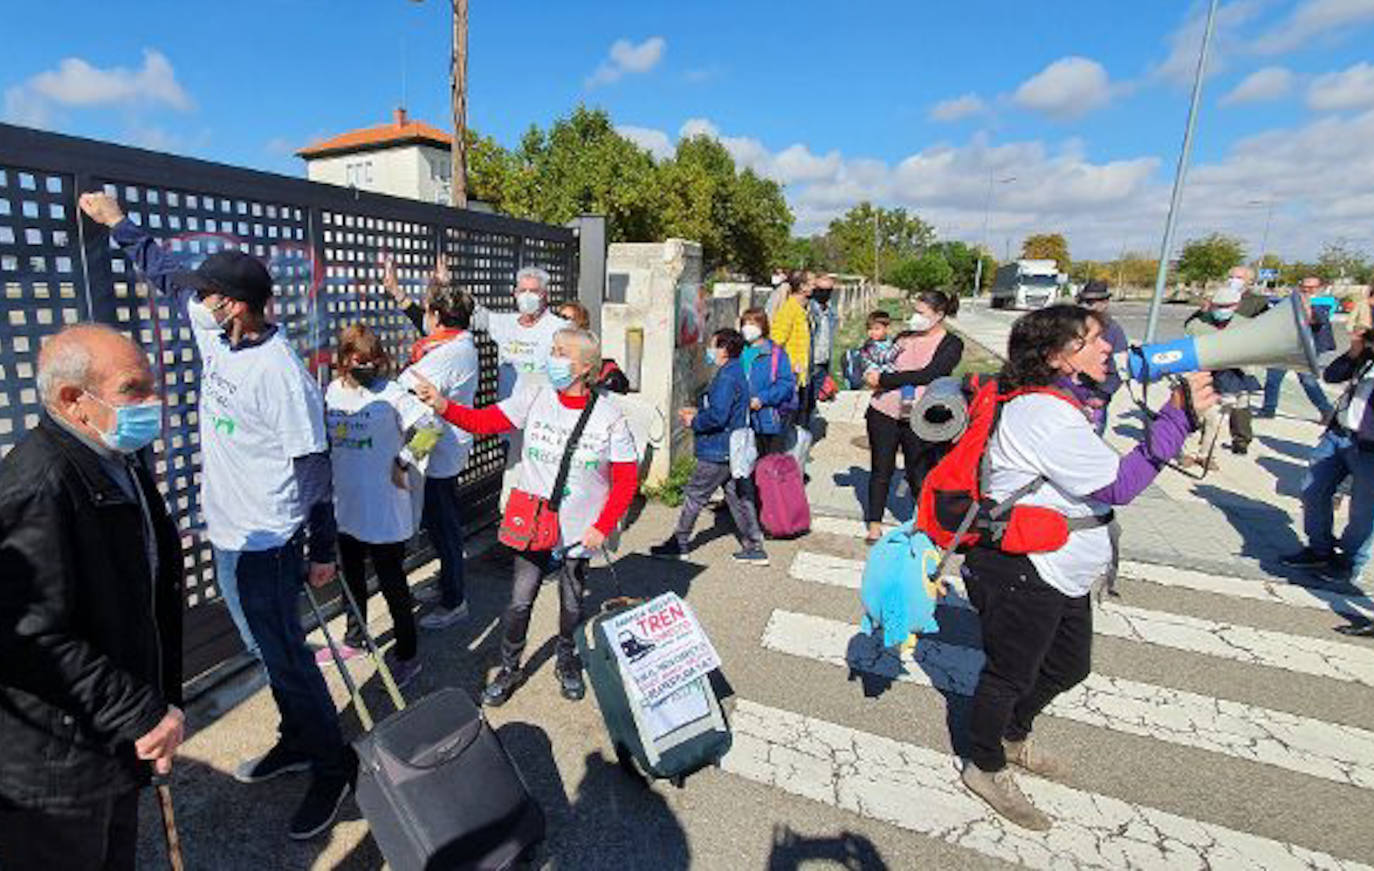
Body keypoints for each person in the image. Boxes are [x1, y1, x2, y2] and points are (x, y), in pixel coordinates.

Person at [80, 191, 355, 840]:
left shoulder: (281, 375)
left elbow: (314, 469)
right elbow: (164, 273)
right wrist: (119, 223)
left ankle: (333, 765)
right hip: (229, 533)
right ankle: (297, 738)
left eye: (211, 294)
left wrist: (322, 552)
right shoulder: (218, 329)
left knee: (284, 653)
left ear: (234, 303)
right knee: (269, 649)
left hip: (271, 541)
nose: (198, 300)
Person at [960, 305, 1215, 830]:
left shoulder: (1064, 402)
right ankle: (984, 764)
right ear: (1056, 356)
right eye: (1094, 340)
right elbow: (1118, 485)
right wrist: (1176, 418)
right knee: (1008, 675)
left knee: (1069, 667)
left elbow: (1108, 403)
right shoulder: (1043, 413)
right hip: (1026, 569)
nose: (1108, 348)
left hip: (1060, 569)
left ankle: (1011, 737)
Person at [0, 324, 185, 869]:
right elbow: (27, 634)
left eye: (153, 386)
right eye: (134, 389)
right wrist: (138, 710)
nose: (153, 403)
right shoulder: (39, 485)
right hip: (58, 765)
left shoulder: (113, 458)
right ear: (73, 401)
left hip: (111, 741)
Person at [411, 328, 638, 706]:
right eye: (553, 349)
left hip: (582, 531)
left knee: (572, 601)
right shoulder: (534, 395)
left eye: (561, 352)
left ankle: (567, 661)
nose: (553, 357)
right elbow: (483, 422)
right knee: (519, 601)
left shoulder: (609, 417)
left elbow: (627, 479)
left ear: (584, 367)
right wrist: (442, 405)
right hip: (533, 522)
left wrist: (602, 525)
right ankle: (510, 668)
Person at [322, 323, 442, 685]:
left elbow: (432, 427)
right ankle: (355, 638)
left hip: (385, 507)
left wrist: (404, 460)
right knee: (352, 578)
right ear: (343, 359)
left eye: (373, 360)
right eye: (358, 360)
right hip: (346, 505)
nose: (367, 367)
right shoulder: (331, 392)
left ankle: (407, 654)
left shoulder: (393, 393)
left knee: (393, 584)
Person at [386, 259, 481, 630]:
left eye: (428, 310)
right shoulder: (454, 341)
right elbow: (427, 333)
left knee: (444, 528)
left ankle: (455, 600)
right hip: (443, 446)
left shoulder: (446, 355)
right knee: (441, 522)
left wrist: (404, 461)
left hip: (437, 450)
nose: (423, 316)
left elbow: (407, 398)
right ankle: (446, 584)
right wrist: (401, 294)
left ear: (438, 316)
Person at [648, 328, 769, 566]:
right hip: (731, 447)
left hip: (717, 448)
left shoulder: (726, 377)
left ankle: (679, 543)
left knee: (695, 495)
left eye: (713, 346)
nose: (709, 351)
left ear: (723, 349)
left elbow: (718, 416)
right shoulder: (735, 371)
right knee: (737, 496)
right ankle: (754, 544)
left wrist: (695, 420)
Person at [1281, 297, 1374, 591]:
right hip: (1340, 434)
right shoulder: (1368, 350)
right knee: (1313, 488)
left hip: (1369, 447)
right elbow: (1332, 375)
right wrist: (1355, 353)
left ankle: (1350, 562)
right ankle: (1319, 550)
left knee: (1363, 510)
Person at [861, 293, 964, 543]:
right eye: (915, 311)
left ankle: (924, 523)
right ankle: (874, 523)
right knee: (880, 469)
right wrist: (869, 370)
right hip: (884, 411)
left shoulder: (951, 343)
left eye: (922, 312)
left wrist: (884, 380)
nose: (915, 317)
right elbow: (884, 361)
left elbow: (930, 374)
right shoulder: (903, 338)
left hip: (920, 417)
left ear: (938, 315)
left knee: (919, 472)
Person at [1180, 283, 1257, 464]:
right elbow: (1187, 350)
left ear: (1236, 306)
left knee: (1217, 420)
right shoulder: (1197, 324)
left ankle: (1206, 455)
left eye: (1226, 307)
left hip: (1231, 380)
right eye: (1218, 306)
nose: (1221, 310)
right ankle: (1188, 453)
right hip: (1202, 376)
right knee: (1196, 414)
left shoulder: (1246, 326)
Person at [1259, 275, 1336, 420]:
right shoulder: (1292, 300)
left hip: (1307, 348)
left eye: (1311, 288)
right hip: (1286, 345)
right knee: (1273, 379)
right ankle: (1268, 409)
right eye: (1303, 287)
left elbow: (1313, 320)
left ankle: (1327, 411)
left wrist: (1304, 302)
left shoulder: (1324, 303)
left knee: (1307, 381)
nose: (1306, 290)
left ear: (1319, 289)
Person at [739, 307, 797, 455]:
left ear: (763, 326)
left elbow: (786, 384)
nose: (748, 328)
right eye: (745, 323)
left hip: (767, 418)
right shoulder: (739, 351)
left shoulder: (776, 353)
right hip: (740, 417)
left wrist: (763, 399)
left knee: (768, 463)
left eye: (753, 323)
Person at [1075, 280, 1127, 436]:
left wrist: (1103, 394)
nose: (1086, 306)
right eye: (1083, 301)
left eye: (1091, 302)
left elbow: (1120, 366)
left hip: (1094, 395)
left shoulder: (1114, 331)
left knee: (1090, 441)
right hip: (1070, 391)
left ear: (1105, 303)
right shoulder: (1074, 325)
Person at [557, 301, 630, 394]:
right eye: (557, 317)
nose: (558, 323)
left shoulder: (606, 371)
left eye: (565, 318)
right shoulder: (551, 365)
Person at [770, 271, 813, 421]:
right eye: (811, 282)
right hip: (790, 376)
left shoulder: (802, 310)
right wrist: (788, 368)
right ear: (803, 287)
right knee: (787, 418)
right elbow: (776, 343)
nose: (815, 285)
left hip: (801, 374)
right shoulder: (788, 311)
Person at [806, 274, 840, 414]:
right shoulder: (809, 309)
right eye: (821, 289)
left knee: (813, 400)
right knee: (804, 400)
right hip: (809, 360)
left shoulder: (830, 311)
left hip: (823, 361)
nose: (825, 293)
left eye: (828, 290)